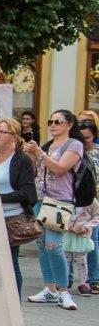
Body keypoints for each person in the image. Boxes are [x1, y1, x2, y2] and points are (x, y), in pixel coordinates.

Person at [24, 110, 84, 310]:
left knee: (53, 245)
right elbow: (36, 170)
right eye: (50, 121)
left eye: (58, 121)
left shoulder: (74, 145)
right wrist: (31, 155)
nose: (52, 125)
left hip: (59, 201)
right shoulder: (48, 146)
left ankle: (63, 291)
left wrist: (39, 153)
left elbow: (60, 168)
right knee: (42, 244)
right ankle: (49, 289)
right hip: (41, 199)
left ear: (69, 124)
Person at [0, 117, 36, 298]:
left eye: (2, 132)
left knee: (9, 263)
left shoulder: (21, 160)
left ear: (14, 137)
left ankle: (13, 307)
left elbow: (28, 194)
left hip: (11, 219)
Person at [78, 117, 99, 294]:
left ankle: (94, 279)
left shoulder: (97, 153)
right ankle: (70, 278)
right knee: (70, 241)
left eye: (88, 137)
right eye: (82, 137)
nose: (85, 140)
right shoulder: (75, 152)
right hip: (77, 201)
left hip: (95, 201)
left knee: (93, 240)